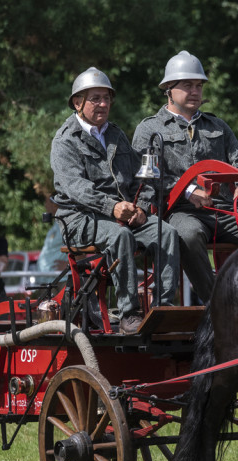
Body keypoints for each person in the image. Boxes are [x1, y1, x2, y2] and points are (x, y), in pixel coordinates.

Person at [132, 51, 238, 304]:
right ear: (169, 90)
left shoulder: (217, 126)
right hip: (179, 212)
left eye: (199, 85)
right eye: (187, 85)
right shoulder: (149, 129)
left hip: (225, 210)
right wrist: (187, 191)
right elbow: (147, 178)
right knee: (188, 235)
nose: (195, 91)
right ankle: (218, 304)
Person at [51, 66, 179, 334]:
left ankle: (164, 308)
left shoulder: (117, 135)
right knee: (121, 236)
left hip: (122, 214)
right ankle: (129, 314)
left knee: (165, 231)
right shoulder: (65, 141)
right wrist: (113, 207)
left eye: (107, 98)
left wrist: (141, 209)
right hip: (80, 219)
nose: (103, 104)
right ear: (78, 103)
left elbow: (141, 179)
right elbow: (76, 188)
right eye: (95, 98)